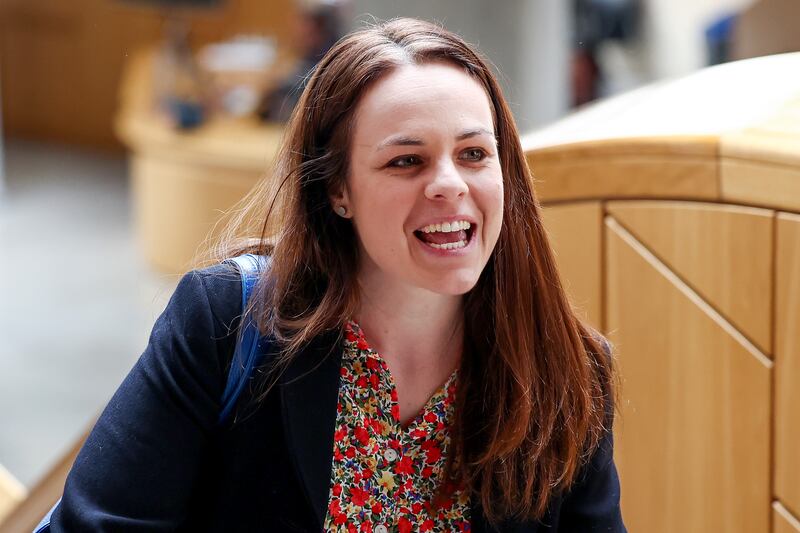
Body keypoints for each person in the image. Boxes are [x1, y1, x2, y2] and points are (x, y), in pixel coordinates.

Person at [49, 18, 626, 532]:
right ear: (338, 190)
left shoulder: (568, 369)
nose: (450, 183)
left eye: (474, 154)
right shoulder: (226, 322)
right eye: (406, 160)